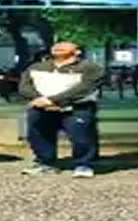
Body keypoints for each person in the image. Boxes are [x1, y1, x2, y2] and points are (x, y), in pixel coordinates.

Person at [18, 41, 105, 178]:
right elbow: (24, 86)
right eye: (56, 46)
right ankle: (45, 163)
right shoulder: (37, 67)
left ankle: (83, 164)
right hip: (41, 107)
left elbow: (84, 88)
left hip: (77, 108)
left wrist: (54, 100)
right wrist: (39, 99)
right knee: (39, 136)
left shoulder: (91, 68)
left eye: (64, 46)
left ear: (77, 51)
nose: (58, 47)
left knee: (82, 137)